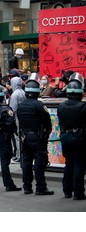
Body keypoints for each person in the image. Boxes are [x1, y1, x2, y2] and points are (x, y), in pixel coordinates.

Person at [17, 73, 54, 196]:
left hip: (24, 137)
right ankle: (40, 187)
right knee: (39, 162)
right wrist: (46, 134)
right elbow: (47, 122)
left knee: (27, 162)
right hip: (37, 137)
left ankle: (27, 186)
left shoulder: (21, 105)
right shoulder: (39, 105)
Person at [57, 72, 86, 200]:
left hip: (65, 137)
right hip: (79, 137)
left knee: (69, 164)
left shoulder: (61, 106)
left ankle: (67, 190)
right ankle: (78, 192)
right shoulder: (83, 106)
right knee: (79, 165)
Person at [9, 76, 26, 163]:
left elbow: (12, 109)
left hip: (17, 118)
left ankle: (19, 156)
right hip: (23, 117)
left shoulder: (15, 94)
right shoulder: (23, 92)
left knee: (17, 137)